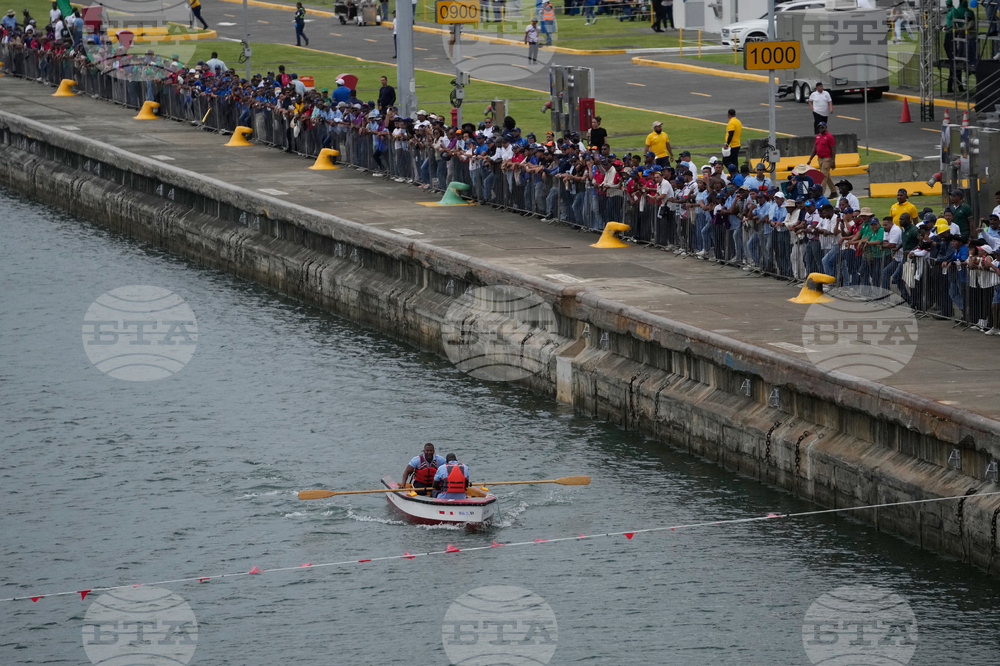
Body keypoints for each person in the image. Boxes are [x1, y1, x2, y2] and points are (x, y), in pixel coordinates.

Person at [807, 122, 836, 197]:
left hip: (827, 158)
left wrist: (833, 160)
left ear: (825, 127)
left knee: (823, 176)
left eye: (822, 127)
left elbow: (833, 149)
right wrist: (810, 159)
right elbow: (815, 148)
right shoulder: (818, 136)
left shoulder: (829, 137)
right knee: (826, 175)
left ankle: (821, 194)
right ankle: (834, 191)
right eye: (819, 127)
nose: (820, 128)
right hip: (820, 159)